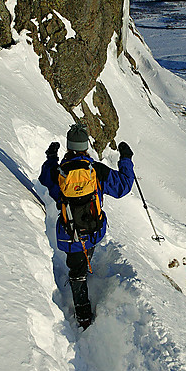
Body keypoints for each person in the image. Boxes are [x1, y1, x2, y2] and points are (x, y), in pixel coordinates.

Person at [39, 122, 134, 329]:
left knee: (76, 272)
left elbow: (45, 178)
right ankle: (86, 264)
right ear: (86, 147)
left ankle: (83, 316)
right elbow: (123, 186)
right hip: (94, 230)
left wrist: (51, 158)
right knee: (84, 257)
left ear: (68, 146)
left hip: (70, 234)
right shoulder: (96, 171)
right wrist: (126, 159)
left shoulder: (59, 172)